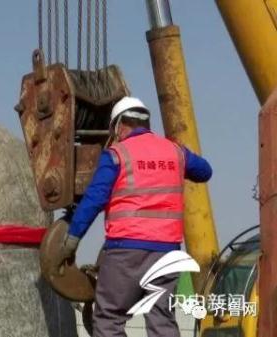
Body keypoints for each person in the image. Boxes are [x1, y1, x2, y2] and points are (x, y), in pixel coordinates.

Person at [58, 96, 212, 337]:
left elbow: (94, 200)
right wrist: (179, 158)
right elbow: (205, 171)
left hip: (126, 252)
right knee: (162, 319)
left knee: (109, 318)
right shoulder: (175, 151)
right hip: (167, 254)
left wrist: (72, 239)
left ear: (120, 125)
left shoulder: (116, 154)